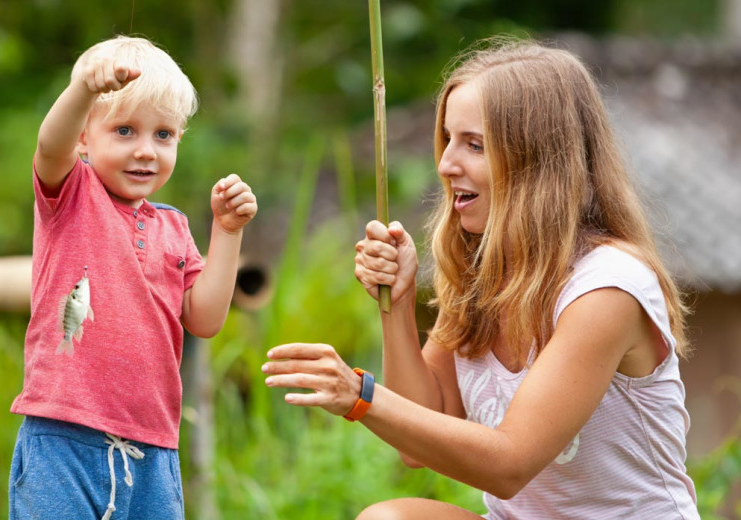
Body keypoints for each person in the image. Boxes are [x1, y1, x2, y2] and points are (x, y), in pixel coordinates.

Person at [262, 38, 699, 519]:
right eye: (448, 139)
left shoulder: (607, 288)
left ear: (537, 162)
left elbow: (510, 465)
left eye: (473, 145)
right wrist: (399, 303)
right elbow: (419, 441)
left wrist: (359, 396)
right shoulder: (485, 271)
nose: (447, 164)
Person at [9, 35, 257, 520]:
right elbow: (48, 146)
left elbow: (204, 318)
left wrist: (228, 232)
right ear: (84, 136)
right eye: (124, 130)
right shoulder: (72, 195)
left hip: (153, 448)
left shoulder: (175, 227)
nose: (146, 150)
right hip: (63, 436)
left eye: (163, 135)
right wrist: (83, 88)